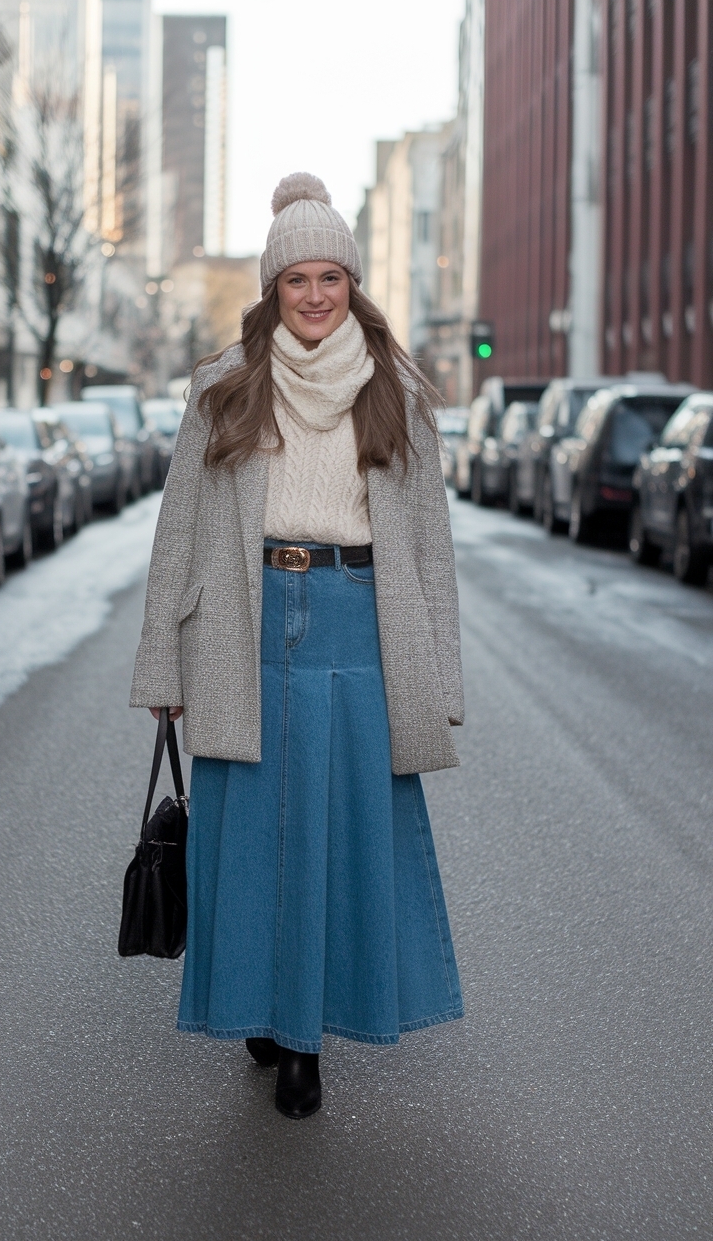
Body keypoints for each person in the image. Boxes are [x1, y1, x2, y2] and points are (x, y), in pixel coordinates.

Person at [131, 173, 464, 1120]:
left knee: (346, 828)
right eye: (296, 280)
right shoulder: (223, 388)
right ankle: (264, 1010)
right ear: (272, 288)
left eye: (331, 277)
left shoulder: (398, 391)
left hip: (360, 615)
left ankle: (306, 1041)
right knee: (255, 830)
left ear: (352, 283)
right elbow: (180, 531)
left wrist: (438, 671)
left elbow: (429, 544)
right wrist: (164, 662)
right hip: (247, 616)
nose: (315, 297)